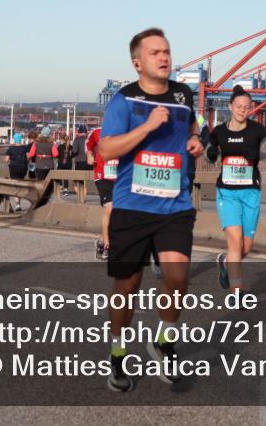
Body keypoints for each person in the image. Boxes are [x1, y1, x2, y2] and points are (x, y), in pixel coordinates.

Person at [98, 28, 204, 391]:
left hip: (174, 206)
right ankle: (117, 352)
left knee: (177, 278)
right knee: (128, 285)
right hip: (132, 206)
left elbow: (192, 126)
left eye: (167, 51)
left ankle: (163, 341)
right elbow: (107, 150)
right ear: (137, 63)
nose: (164, 57)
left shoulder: (183, 94)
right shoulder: (123, 101)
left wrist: (194, 140)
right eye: (156, 52)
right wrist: (147, 126)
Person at [206, 85, 266, 293]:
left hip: (251, 192)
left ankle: (224, 261)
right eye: (239, 106)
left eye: (247, 107)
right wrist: (211, 154)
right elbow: (208, 153)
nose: (242, 110)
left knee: (244, 248)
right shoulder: (219, 131)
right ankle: (236, 293)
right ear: (230, 106)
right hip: (227, 192)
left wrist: (263, 154)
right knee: (235, 239)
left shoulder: (257, 130)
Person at [86, 126, 118, 260]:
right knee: (109, 208)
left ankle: (100, 240)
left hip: (120, 176)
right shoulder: (97, 132)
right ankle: (107, 246)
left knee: (117, 214)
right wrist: (89, 155)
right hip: (102, 175)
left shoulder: (127, 131)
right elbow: (88, 144)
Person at [2, 133, 30, 212]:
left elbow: (7, 160)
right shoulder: (25, 148)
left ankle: (17, 204)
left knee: (15, 185)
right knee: (20, 184)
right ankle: (19, 203)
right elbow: (28, 157)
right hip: (23, 167)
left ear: (14, 139)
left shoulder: (11, 149)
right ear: (21, 139)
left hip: (13, 167)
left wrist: (4, 160)